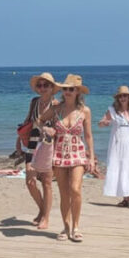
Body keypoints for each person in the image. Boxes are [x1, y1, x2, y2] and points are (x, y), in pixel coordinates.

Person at [38, 74, 96, 242]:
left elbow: (89, 136)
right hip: (59, 153)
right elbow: (39, 120)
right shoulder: (56, 108)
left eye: (71, 89)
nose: (67, 92)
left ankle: (76, 226)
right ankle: (65, 226)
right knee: (64, 193)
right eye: (65, 89)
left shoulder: (85, 111)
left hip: (78, 153)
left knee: (75, 189)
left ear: (78, 91)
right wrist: (45, 130)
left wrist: (91, 157)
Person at [19, 72, 59, 229]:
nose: (42, 88)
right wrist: (18, 141)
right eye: (40, 85)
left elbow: (58, 128)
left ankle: (45, 217)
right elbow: (27, 122)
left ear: (52, 88)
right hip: (32, 144)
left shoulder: (56, 105)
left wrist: (48, 129)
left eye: (46, 85)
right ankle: (42, 210)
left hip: (48, 146)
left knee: (47, 182)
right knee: (30, 181)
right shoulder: (34, 102)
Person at [97, 86, 129, 208]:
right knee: (122, 169)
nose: (123, 98)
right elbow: (101, 123)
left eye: (125, 96)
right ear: (117, 98)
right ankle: (125, 199)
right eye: (120, 96)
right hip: (118, 145)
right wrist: (104, 123)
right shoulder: (112, 110)